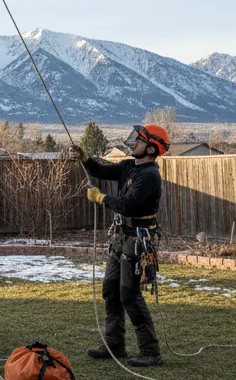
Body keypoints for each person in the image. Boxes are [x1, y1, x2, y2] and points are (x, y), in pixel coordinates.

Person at [69, 124, 169, 367]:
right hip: (121, 238)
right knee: (111, 290)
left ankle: (150, 351)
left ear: (151, 149)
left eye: (139, 140)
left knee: (129, 295)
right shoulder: (128, 166)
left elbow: (128, 205)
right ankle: (114, 344)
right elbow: (102, 171)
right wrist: (85, 158)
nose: (134, 142)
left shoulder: (149, 176)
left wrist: (101, 198)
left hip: (137, 240)